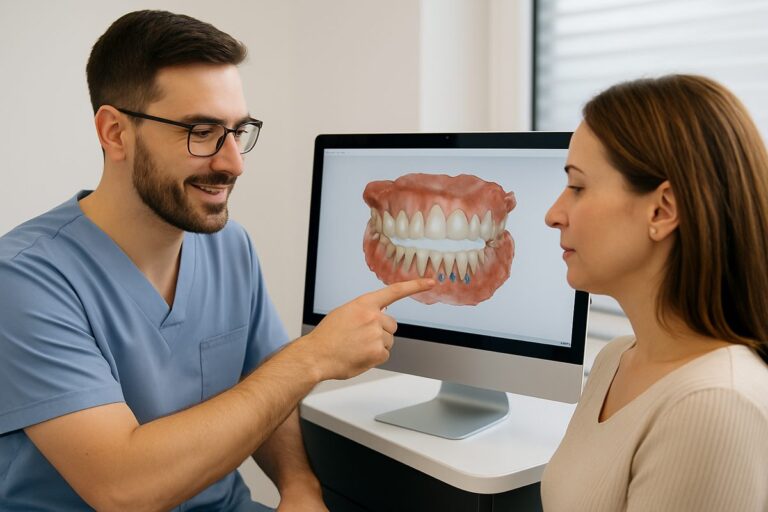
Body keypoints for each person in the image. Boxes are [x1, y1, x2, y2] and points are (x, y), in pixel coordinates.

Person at [0, 10, 433, 511]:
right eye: (202, 131)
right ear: (115, 133)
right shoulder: (24, 280)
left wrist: (299, 487)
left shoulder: (230, 247)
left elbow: (267, 388)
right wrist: (313, 356)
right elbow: (123, 489)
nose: (234, 163)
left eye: (238, 131)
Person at [541, 74, 768, 511]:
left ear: (662, 210)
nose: (553, 214)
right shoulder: (616, 359)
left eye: (578, 187)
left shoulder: (713, 405)